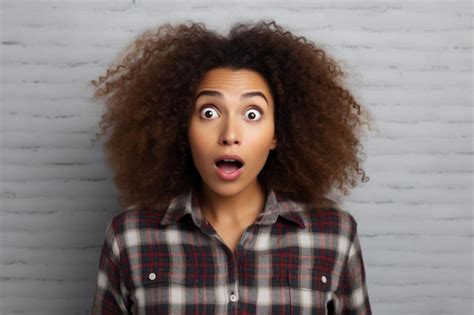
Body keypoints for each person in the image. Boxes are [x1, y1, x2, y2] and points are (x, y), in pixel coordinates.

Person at [90, 20, 373, 315]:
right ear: (182, 127)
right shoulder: (130, 237)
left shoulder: (334, 235)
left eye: (252, 114)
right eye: (209, 112)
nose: (229, 134)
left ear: (277, 132)